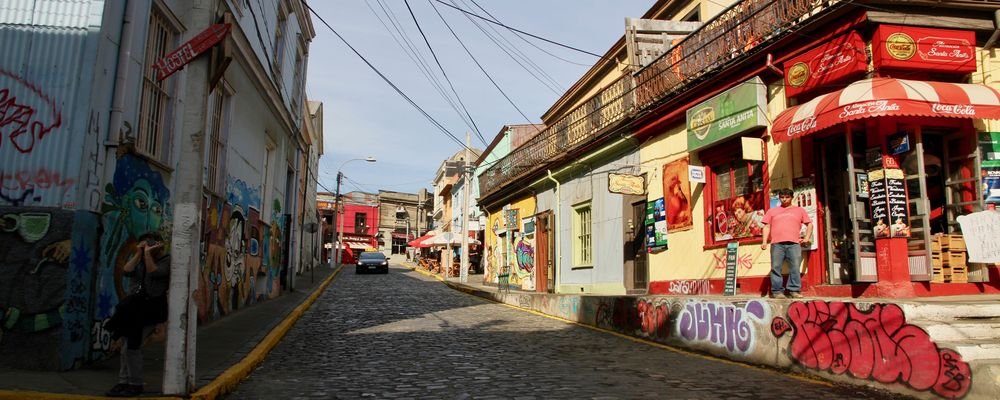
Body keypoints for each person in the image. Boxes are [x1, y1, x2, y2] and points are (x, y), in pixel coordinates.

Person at [105, 234, 170, 397]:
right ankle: (124, 381)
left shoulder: (167, 261)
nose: (147, 247)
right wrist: (139, 253)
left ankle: (135, 383)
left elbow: (154, 272)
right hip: (134, 309)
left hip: (151, 311)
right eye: (145, 245)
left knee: (133, 347)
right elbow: (126, 270)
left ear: (159, 245)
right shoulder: (141, 258)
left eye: (151, 244)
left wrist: (148, 254)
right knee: (126, 346)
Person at [760, 188, 812, 299]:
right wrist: (764, 241)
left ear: (792, 197)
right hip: (776, 244)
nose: (784, 199)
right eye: (782, 197)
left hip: (794, 243)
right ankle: (777, 291)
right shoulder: (772, 211)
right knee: (776, 267)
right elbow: (766, 226)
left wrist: (807, 237)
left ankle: (794, 290)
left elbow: (809, 224)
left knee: (794, 267)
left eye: (787, 197)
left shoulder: (799, 210)